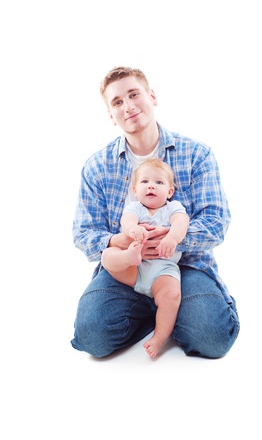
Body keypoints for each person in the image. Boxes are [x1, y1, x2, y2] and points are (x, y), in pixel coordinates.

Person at [71, 66, 240, 359]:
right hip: (127, 268)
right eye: (118, 102)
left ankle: (171, 309)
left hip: (182, 266)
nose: (129, 106)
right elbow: (84, 232)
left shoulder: (196, 154)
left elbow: (216, 221)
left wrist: (171, 239)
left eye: (134, 94)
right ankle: (155, 312)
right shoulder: (97, 167)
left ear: (152, 96)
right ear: (111, 115)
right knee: (92, 338)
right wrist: (119, 242)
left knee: (212, 337)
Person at [101, 158, 189, 357]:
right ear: (134, 190)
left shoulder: (172, 208)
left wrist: (172, 239)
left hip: (163, 269)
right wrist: (133, 230)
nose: (151, 185)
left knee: (172, 296)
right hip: (134, 268)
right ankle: (127, 257)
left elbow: (181, 223)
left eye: (159, 182)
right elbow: (127, 221)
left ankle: (159, 338)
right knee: (108, 255)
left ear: (169, 192)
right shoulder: (135, 208)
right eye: (144, 182)